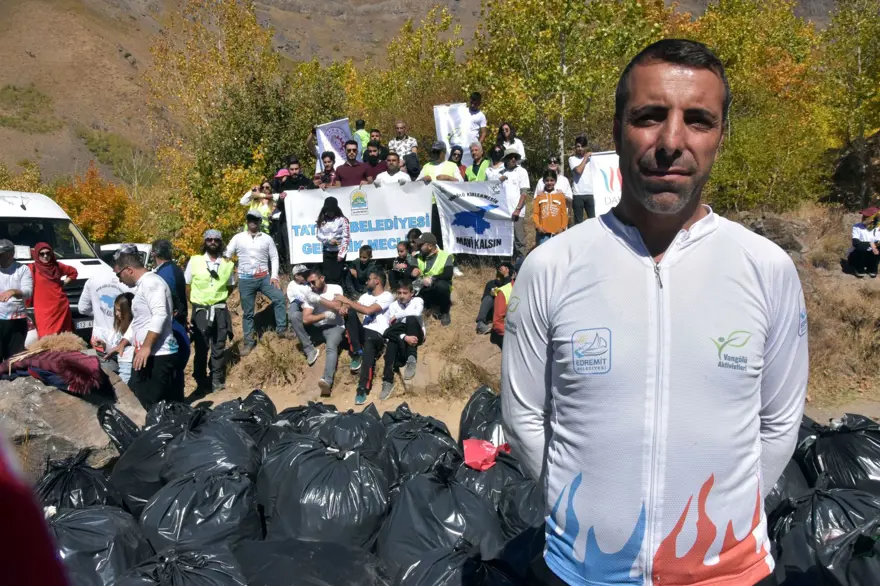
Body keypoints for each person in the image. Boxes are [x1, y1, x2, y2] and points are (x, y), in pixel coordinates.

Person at [502, 39, 808, 586]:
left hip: (731, 573)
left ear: (720, 136)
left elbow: (780, 421)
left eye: (698, 120)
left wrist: (720, 525)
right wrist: (583, 514)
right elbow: (525, 416)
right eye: (649, 117)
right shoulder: (551, 267)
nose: (671, 141)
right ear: (618, 127)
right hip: (580, 571)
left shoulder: (767, 268)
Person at [113, 250, 180, 408]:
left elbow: (160, 315)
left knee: (151, 405)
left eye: (118, 275)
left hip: (159, 355)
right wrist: (124, 342)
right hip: (146, 355)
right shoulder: (142, 286)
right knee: (138, 398)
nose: (119, 280)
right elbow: (139, 321)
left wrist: (146, 347)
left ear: (129, 269)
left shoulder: (151, 283)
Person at [224, 209, 290, 355]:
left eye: (255, 219)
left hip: (264, 277)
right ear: (247, 221)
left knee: (279, 298)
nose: (252, 222)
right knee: (248, 312)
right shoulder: (238, 238)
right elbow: (227, 255)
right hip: (245, 279)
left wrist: (274, 276)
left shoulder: (267, 238)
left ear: (260, 222)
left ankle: (282, 329)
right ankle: (249, 342)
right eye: (249, 219)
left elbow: (274, 257)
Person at [185, 229, 235, 393]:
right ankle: (201, 381)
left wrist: (219, 298)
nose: (212, 242)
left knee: (219, 346)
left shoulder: (228, 264)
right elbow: (187, 285)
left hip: (220, 309)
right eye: (209, 239)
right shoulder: (195, 261)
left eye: (216, 240)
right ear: (205, 242)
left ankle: (216, 380)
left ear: (220, 243)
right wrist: (194, 302)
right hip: (201, 310)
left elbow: (231, 285)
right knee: (201, 346)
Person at [336, 270, 394, 405]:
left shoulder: (387, 296)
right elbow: (354, 305)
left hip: (378, 335)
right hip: (364, 332)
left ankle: (362, 388)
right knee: (350, 312)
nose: (366, 282)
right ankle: (356, 352)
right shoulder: (364, 296)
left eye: (368, 279)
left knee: (369, 343)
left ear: (377, 281)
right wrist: (344, 307)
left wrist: (345, 300)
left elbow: (368, 310)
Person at [290, 267, 346, 397]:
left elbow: (337, 306)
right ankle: (310, 349)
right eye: (309, 283)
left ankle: (327, 381)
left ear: (322, 278)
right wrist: (324, 315)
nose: (311, 285)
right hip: (317, 328)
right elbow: (305, 318)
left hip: (334, 327)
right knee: (295, 316)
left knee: (331, 347)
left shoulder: (335, 288)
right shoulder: (310, 294)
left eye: (313, 282)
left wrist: (320, 300)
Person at [78, 256, 133, 361]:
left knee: (106, 373)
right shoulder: (131, 282)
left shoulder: (93, 279)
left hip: (101, 337)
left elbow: (83, 308)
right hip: (125, 341)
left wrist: (100, 313)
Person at [380, 278, 425, 400]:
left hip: (417, 332)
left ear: (412, 293)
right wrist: (405, 337)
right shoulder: (393, 305)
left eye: (405, 293)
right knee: (390, 340)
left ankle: (411, 358)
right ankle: (387, 380)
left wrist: (398, 315)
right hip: (401, 336)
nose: (401, 296)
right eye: (399, 293)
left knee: (410, 319)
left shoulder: (418, 300)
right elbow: (392, 327)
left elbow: (417, 313)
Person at [419, 142, 463, 248]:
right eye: (433, 151)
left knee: (449, 232)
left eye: (437, 151)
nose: (434, 153)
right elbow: (416, 184)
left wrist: (448, 178)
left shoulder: (452, 166)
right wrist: (422, 179)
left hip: (448, 204)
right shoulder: (427, 166)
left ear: (444, 152)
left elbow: (462, 184)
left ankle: (450, 255)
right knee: (436, 232)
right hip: (433, 204)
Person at [29, 242, 77, 337]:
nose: (45, 256)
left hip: (60, 306)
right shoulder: (32, 268)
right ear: (37, 254)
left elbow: (73, 272)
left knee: (63, 336)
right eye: (42, 254)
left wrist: (63, 283)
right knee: (45, 335)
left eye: (48, 253)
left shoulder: (57, 265)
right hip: (43, 308)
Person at [0, 239, 33, 360]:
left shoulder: (22, 269)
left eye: (1, 254)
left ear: (10, 254)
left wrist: (13, 291)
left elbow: (28, 292)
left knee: (14, 358)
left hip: (17, 318)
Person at [413, 233, 453, 326]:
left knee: (441, 285)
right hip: (423, 287)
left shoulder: (446, 256)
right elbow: (410, 269)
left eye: (420, 245)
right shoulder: (417, 256)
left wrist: (432, 278)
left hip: (438, 287)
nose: (417, 247)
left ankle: (445, 312)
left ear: (430, 246)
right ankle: (427, 308)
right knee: (411, 286)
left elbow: (448, 274)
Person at [497, 147, 530, 262]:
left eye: (515, 157)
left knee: (519, 240)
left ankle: (521, 264)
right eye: (510, 157)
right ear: (505, 159)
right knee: (505, 240)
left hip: (517, 212)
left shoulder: (522, 171)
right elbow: (494, 191)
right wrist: (498, 181)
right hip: (503, 212)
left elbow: (524, 193)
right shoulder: (500, 173)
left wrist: (517, 209)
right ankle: (506, 265)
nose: (513, 159)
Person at [315, 196, 351, 285]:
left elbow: (346, 238)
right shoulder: (322, 220)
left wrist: (341, 253)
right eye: (328, 211)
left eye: (332, 211)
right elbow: (319, 235)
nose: (330, 213)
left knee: (337, 276)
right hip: (327, 251)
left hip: (338, 251)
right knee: (327, 275)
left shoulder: (343, 220)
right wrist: (328, 240)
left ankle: (340, 293)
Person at [152, 239, 188, 326]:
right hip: (178, 318)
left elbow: (170, 298)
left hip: (172, 321)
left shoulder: (164, 273)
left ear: (154, 253)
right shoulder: (175, 268)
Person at [475, 261, 514, 335]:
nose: (503, 270)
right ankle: (480, 324)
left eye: (506, 268)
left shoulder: (512, 284)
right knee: (488, 298)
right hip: (493, 312)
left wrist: (506, 276)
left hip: (507, 312)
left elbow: (509, 290)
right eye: (500, 269)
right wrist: (494, 295)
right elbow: (484, 301)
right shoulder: (491, 283)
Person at [533, 169, 569, 246]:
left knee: (557, 254)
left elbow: (564, 214)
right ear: (543, 181)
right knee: (544, 254)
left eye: (552, 180)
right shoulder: (539, 196)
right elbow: (536, 213)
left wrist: (562, 228)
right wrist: (538, 226)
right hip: (544, 233)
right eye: (547, 180)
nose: (549, 183)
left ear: (555, 181)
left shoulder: (560, 196)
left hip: (558, 233)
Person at [107, 292, 135, 385]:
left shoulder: (133, 326)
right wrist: (103, 344)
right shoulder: (119, 326)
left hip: (129, 365)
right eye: (115, 310)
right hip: (121, 365)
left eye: (119, 310)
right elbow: (114, 346)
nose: (116, 313)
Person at [569, 135, 595, 223]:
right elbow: (578, 171)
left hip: (591, 194)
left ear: (586, 147)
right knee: (578, 223)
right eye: (578, 146)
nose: (580, 148)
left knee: (593, 221)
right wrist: (586, 158)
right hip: (578, 195)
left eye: (582, 146)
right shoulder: (572, 159)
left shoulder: (593, 159)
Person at [848, 207, 880, 278]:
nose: (863, 218)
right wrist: (872, 244)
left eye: (867, 216)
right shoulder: (857, 227)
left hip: (872, 254)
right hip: (858, 255)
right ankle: (859, 269)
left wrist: (869, 245)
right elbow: (856, 243)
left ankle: (872, 269)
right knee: (861, 249)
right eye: (864, 216)